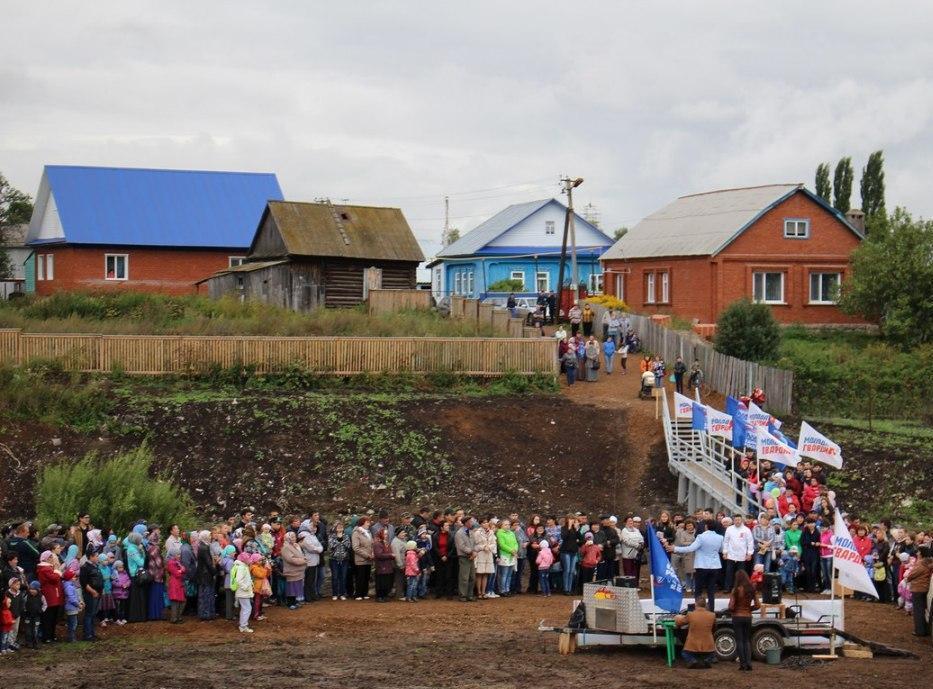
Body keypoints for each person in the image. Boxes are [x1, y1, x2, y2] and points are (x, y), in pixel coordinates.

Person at [670, 519, 723, 612]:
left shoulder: (701, 537)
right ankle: (712, 610)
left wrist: (675, 548)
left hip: (702, 565)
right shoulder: (720, 537)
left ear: (706, 527)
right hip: (715, 565)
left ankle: (698, 609)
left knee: (698, 589)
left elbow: (691, 548)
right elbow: (721, 550)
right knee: (711, 590)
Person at [728, 570, 760, 671]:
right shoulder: (751, 589)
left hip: (737, 617)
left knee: (740, 641)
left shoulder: (736, 590)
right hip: (748, 616)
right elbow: (758, 605)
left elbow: (731, 607)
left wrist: (734, 610)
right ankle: (749, 663)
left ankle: (743, 664)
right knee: (747, 640)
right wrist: (749, 609)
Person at [674, 596, 716, 669]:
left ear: (695, 604)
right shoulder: (712, 615)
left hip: (693, 644)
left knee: (684, 653)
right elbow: (715, 627)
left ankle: (692, 661)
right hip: (708, 645)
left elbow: (679, 622)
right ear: (706, 605)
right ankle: (707, 660)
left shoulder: (690, 614)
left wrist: (677, 617)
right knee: (712, 654)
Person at [722, 513, 754, 591]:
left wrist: (749, 553)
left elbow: (750, 542)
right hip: (731, 554)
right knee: (729, 572)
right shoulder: (729, 529)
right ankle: (727, 588)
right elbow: (726, 541)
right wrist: (725, 552)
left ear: (742, 520)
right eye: (736, 520)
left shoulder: (746, 530)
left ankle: (741, 588)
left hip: (742, 555)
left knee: (741, 573)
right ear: (733, 520)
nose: (737, 521)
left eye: (739, 520)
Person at [905, 548, 932, 636]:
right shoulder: (929, 562)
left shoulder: (921, 563)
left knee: (918, 611)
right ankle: (926, 629)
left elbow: (912, 574)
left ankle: (919, 631)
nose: (917, 553)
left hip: (918, 588)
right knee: (923, 610)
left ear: (922, 553)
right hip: (924, 588)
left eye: (919, 551)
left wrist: (907, 578)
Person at [79, 549, 103, 641]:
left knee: (93, 614)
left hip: (97, 593)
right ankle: (87, 635)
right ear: (91, 557)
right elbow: (84, 583)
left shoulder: (95, 566)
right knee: (89, 614)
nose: (97, 558)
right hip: (90, 594)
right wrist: (93, 592)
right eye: (96, 556)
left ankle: (92, 633)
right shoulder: (85, 567)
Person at [472, 516, 496, 600]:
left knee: (486, 573)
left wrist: (489, 547)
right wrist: (483, 547)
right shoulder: (477, 532)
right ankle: (478, 592)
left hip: (488, 554)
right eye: (484, 522)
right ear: (480, 524)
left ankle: (483, 591)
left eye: (487, 522)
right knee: (479, 574)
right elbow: (475, 544)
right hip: (481, 554)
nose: (486, 524)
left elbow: (494, 542)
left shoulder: (491, 532)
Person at [280, 531, 306, 609]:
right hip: (291, 571)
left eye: (294, 537)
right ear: (288, 538)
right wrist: (303, 561)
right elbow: (290, 559)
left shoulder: (294, 545)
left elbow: (300, 554)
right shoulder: (286, 547)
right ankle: (290, 603)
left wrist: (303, 559)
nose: (294, 538)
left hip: (297, 571)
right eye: (292, 537)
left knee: (296, 587)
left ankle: (294, 602)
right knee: (291, 587)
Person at [351, 516, 374, 601]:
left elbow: (371, 544)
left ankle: (364, 593)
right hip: (361, 559)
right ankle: (358, 594)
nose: (369, 523)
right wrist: (366, 555)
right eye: (367, 522)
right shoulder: (356, 533)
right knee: (360, 577)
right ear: (362, 523)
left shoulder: (368, 532)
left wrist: (372, 553)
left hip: (369, 559)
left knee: (366, 577)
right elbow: (356, 548)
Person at [455, 517, 477, 602]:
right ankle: (463, 595)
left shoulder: (471, 532)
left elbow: (474, 544)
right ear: (466, 523)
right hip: (464, 556)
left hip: (471, 557)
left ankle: (470, 594)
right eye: (470, 521)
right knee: (464, 577)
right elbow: (461, 546)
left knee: (472, 577)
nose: (472, 523)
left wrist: (474, 551)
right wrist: (472, 551)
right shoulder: (459, 533)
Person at [231, 553, 254, 633]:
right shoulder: (242, 567)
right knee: (247, 608)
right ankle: (243, 625)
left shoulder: (242, 566)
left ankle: (243, 625)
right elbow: (238, 580)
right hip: (243, 592)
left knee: (245, 608)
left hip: (243, 592)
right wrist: (246, 587)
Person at [328, 521, 351, 600]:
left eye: (341, 527)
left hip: (344, 560)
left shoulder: (346, 536)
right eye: (338, 527)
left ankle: (342, 594)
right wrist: (339, 540)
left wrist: (341, 540)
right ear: (335, 528)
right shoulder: (331, 536)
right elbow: (331, 546)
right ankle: (335, 594)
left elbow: (348, 546)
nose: (340, 528)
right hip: (334, 559)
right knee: (335, 577)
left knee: (343, 577)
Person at [495, 520, 518, 596]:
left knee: (509, 574)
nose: (507, 526)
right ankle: (502, 590)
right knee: (503, 574)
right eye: (505, 525)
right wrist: (511, 550)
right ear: (501, 526)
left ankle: (507, 589)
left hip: (512, 555)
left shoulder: (512, 533)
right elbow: (502, 545)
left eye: (508, 524)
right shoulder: (499, 533)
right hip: (504, 555)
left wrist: (515, 550)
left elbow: (516, 543)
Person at [372, 529, 395, 603]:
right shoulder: (377, 544)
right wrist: (390, 555)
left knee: (387, 581)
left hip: (388, 565)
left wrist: (392, 555)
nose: (386, 535)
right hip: (381, 566)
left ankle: (385, 595)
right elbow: (379, 555)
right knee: (381, 582)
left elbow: (389, 552)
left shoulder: (386, 543)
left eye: (387, 534)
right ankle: (379, 596)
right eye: (385, 534)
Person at [62, 569, 82, 642]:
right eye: (74, 577)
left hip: (72, 607)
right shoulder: (69, 587)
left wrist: (80, 601)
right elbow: (71, 598)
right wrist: (77, 604)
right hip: (71, 607)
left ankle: (72, 637)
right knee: (73, 623)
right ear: (70, 578)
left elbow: (75, 595)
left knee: (73, 623)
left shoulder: (70, 585)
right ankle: (72, 638)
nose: (75, 578)